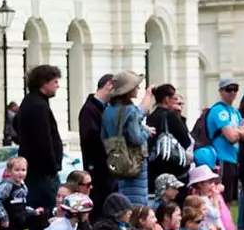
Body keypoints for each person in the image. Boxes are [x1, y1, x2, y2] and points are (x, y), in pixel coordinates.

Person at [14, 64, 65, 230]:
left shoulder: (30, 102)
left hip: (37, 171)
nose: (58, 85)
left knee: (39, 216)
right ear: (44, 83)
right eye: (54, 82)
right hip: (42, 173)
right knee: (45, 218)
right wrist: (52, 166)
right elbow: (44, 141)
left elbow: (17, 125)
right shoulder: (38, 106)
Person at [101, 70, 149, 207]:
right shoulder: (130, 110)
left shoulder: (107, 111)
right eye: (135, 86)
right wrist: (146, 132)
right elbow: (137, 138)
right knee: (137, 203)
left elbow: (104, 135)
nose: (137, 89)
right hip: (134, 161)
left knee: (123, 202)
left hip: (117, 161)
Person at [203, 78, 244, 206]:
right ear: (221, 91)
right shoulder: (219, 110)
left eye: (235, 89)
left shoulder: (235, 112)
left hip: (233, 158)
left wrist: (236, 131)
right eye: (228, 89)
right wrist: (239, 131)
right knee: (221, 198)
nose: (232, 92)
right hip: (221, 158)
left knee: (231, 200)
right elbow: (232, 137)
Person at [78, 73, 115, 212]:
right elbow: (92, 140)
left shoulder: (103, 109)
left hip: (105, 167)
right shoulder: (90, 110)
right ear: (108, 85)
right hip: (99, 168)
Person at [146, 84, 191, 195]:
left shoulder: (151, 117)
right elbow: (186, 140)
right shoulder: (171, 116)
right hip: (172, 165)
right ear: (166, 99)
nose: (176, 102)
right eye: (174, 99)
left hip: (154, 165)